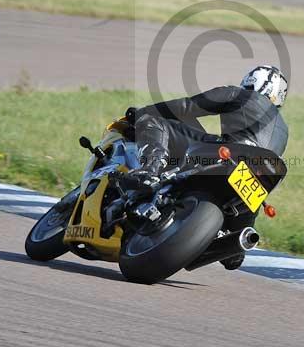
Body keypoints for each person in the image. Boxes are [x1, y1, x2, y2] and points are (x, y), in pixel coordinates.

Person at [124, 65, 289, 270]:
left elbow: (186, 107)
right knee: (233, 259)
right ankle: (233, 244)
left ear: (250, 81)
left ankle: (150, 170)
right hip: (256, 178)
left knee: (153, 120)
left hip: (229, 156)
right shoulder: (284, 130)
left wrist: (141, 113)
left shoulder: (238, 94)